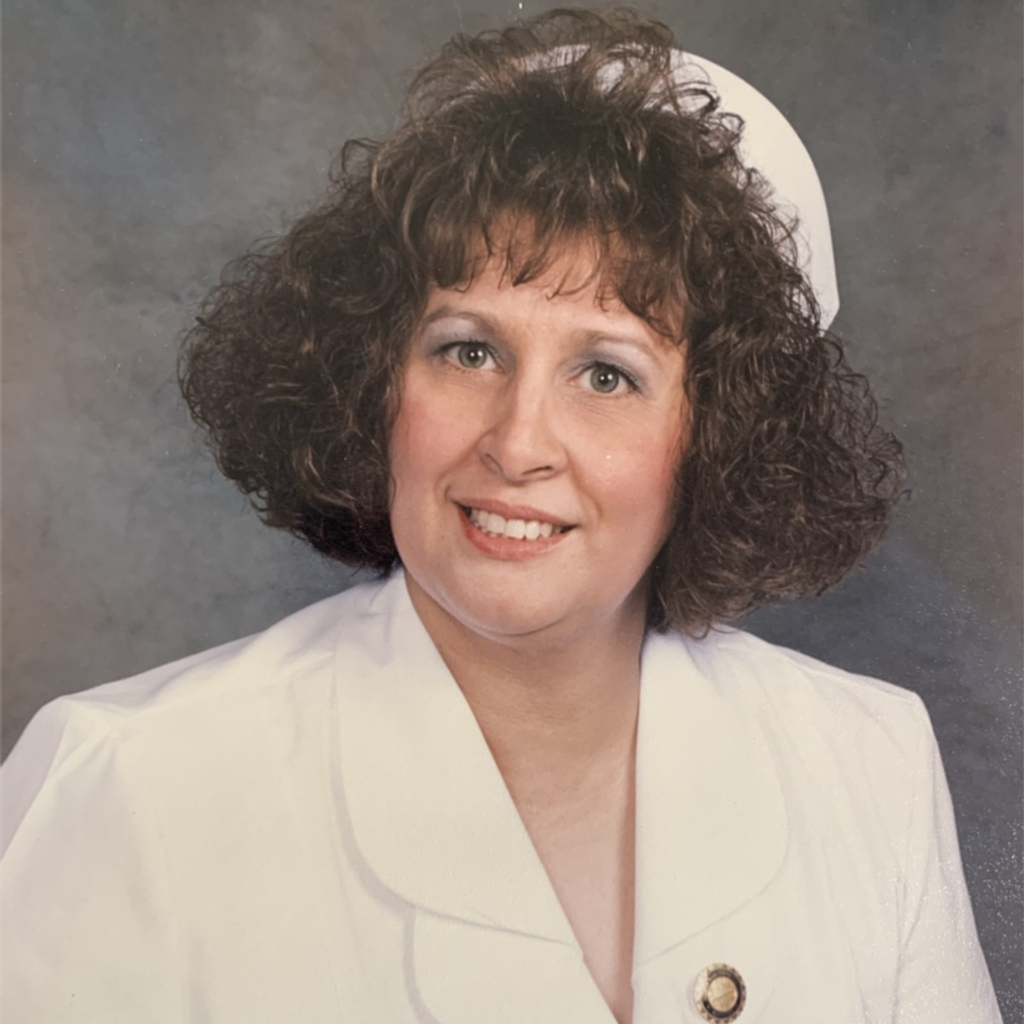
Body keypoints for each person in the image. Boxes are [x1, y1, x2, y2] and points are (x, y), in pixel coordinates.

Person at [0, 8, 1002, 1024]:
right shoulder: (131, 785)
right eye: (468, 351)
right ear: (373, 379)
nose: (518, 444)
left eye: (606, 374)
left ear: (721, 435)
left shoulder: (866, 760)